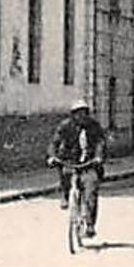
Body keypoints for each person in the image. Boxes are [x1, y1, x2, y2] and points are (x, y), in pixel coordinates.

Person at [46, 98, 108, 238]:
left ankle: (90, 224)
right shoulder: (65, 126)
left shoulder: (94, 126)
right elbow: (54, 142)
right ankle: (66, 196)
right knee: (65, 174)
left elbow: (100, 143)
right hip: (70, 161)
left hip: (89, 163)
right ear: (72, 114)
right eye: (77, 113)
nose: (81, 116)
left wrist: (98, 157)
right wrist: (52, 156)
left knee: (91, 189)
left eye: (84, 113)